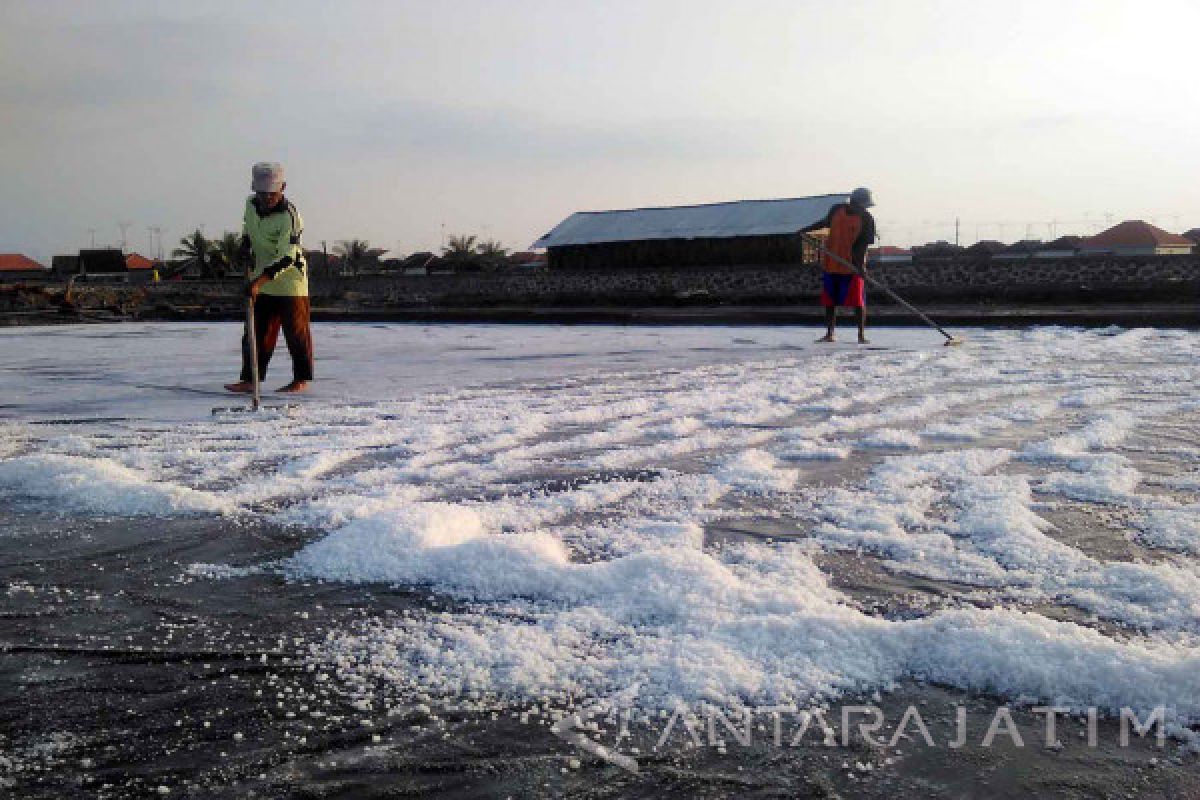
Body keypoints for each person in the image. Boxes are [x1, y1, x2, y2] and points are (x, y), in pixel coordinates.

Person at [223, 162, 313, 395]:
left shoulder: (290, 216)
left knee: (296, 333)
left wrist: (259, 282)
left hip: (290, 283)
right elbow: (248, 228)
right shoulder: (250, 205)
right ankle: (250, 379)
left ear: (283, 188)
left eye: (272, 194)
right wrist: (245, 246)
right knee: (255, 333)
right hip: (261, 278)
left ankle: (300, 379)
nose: (267, 199)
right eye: (262, 194)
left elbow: (288, 256)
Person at [799, 187, 877, 344]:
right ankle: (830, 333)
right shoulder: (837, 210)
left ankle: (861, 335)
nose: (862, 208)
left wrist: (860, 266)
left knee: (857, 302)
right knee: (830, 301)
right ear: (854, 201)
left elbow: (863, 246)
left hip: (852, 266)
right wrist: (805, 231)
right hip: (832, 263)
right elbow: (824, 223)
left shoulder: (867, 219)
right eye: (861, 204)